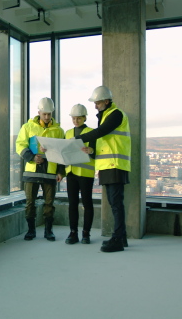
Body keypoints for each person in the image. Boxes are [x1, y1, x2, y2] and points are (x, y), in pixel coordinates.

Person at [74, 86, 131, 252]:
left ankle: (118, 240)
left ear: (106, 101)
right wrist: (92, 151)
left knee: (116, 204)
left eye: (97, 102)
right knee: (115, 203)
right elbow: (106, 141)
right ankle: (122, 238)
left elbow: (101, 132)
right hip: (108, 165)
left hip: (115, 165)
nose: (95, 106)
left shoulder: (115, 114)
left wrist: (78, 139)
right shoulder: (106, 115)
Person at [16, 97, 65, 241]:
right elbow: (20, 145)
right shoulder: (28, 127)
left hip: (50, 171)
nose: (47, 116)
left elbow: (62, 152)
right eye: (44, 114)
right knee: (30, 202)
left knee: (49, 203)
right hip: (32, 170)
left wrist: (61, 171)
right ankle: (31, 231)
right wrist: (31, 157)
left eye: (49, 114)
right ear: (39, 112)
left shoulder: (58, 131)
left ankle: (48, 231)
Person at [64, 104, 96, 245]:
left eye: (78, 118)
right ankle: (73, 232)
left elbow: (98, 152)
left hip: (86, 173)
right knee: (72, 204)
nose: (76, 121)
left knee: (87, 203)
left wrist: (91, 151)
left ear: (84, 118)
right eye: (74, 118)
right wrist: (61, 172)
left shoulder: (92, 132)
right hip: (71, 173)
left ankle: (86, 233)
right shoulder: (68, 133)